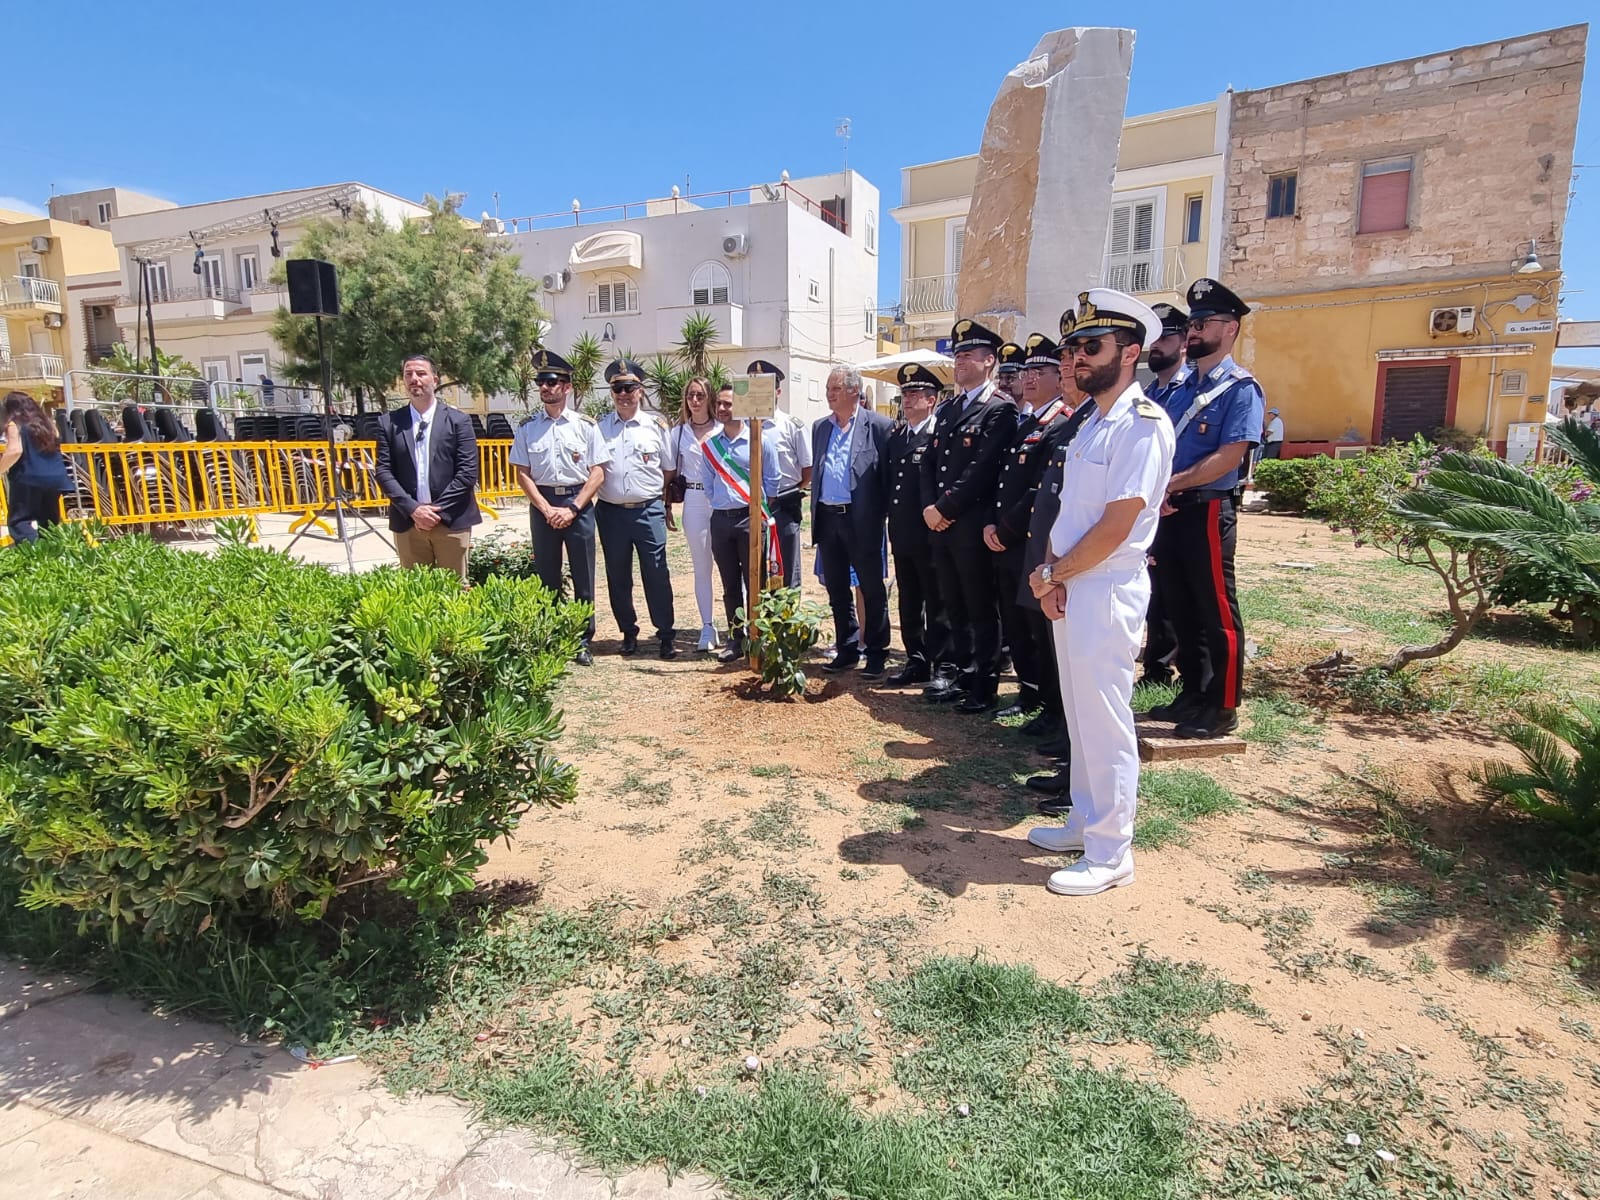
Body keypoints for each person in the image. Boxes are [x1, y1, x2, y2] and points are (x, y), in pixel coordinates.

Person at [1025, 289, 1175, 897]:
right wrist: (1052, 574)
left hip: (1106, 586)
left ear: (1130, 352)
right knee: (1081, 713)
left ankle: (1112, 850)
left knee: (1107, 721)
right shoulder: (1094, 421)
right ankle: (1084, 822)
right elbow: (1069, 513)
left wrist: (1054, 575)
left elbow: (1115, 526)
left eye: (1092, 345)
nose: (1078, 357)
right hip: (1073, 582)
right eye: (1074, 347)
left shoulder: (1142, 425)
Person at [1148, 278, 1265, 738]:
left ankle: (1223, 705)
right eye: (1192, 324)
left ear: (1230, 329)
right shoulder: (1180, 390)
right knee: (1181, 607)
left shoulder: (1240, 389)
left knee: (1216, 611)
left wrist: (1171, 484)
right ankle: (1194, 691)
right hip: (1172, 511)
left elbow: (1230, 456)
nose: (1193, 331)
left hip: (1208, 510)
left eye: (1203, 324)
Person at [920, 318, 1018, 713]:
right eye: (957, 355)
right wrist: (929, 508)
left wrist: (944, 508)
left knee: (980, 607)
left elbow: (983, 469)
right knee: (952, 604)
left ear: (989, 360)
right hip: (940, 526)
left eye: (968, 355)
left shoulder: (999, 409)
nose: (959, 361)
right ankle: (961, 674)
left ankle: (983, 683)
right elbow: (929, 463)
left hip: (972, 525)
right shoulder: (949, 409)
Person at [985, 333, 1077, 724]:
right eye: (1027, 371)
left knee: (1039, 626)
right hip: (1006, 539)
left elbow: (1039, 490)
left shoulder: (1060, 423)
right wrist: (992, 523)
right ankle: (1029, 690)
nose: (1031, 378)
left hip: (1028, 540)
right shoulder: (1026, 421)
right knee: (1016, 620)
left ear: (1060, 377)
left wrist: (1005, 529)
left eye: (1042, 371)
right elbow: (1003, 481)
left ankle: (1051, 702)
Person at [511, 350, 609, 666]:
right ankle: (551, 636)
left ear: (567, 387)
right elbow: (522, 473)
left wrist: (573, 508)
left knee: (583, 574)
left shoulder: (585, 426)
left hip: (577, 504)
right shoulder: (527, 427)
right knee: (547, 575)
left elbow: (598, 472)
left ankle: (581, 639)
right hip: (543, 505)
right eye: (540, 382)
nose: (545, 387)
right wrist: (545, 509)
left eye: (551, 381)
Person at [810, 365, 893, 677]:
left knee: (871, 589)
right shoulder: (821, 427)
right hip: (828, 518)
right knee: (837, 589)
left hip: (862, 521)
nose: (829, 395)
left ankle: (876, 652)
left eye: (835, 389)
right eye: (828, 389)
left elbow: (887, 477)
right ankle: (846, 648)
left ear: (854, 391)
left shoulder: (879, 426)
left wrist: (878, 516)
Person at [595, 358, 677, 660]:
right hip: (611, 512)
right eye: (617, 389)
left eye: (629, 388)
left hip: (648, 510)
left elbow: (668, 469)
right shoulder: (600, 428)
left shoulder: (656, 426)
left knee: (656, 573)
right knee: (618, 575)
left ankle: (665, 634)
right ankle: (628, 632)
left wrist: (651, 495)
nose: (624, 394)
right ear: (612, 393)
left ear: (640, 391)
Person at [371, 355, 480, 580]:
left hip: (451, 521)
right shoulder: (389, 423)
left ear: (435, 380)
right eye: (408, 374)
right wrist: (414, 510)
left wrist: (434, 512)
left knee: (453, 591)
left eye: (421, 374)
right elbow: (383, 471)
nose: (414, 379)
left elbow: (467, 473)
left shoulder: (459, 421)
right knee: (415, 592)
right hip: (408, 523)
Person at [698, 382, 779, 664]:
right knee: (729, 583)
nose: (721, 408)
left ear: (741, 407)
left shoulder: (760, 441)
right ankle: (736, 639)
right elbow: (708, 484)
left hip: (750, 519)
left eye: (728, 404)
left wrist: (756, 509)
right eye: (719, 403)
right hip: (721, 520)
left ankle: (760, 637)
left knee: (756, 582)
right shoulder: (711, 446)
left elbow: (772, 481)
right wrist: (724, 502)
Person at [882, 365, 948, 687]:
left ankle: (942, 664)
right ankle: (916, 660)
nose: (907, 400)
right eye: (905, 394)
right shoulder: (897, 437)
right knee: (908, 600)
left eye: (914, 394)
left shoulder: (939, 434)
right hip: (902, 532)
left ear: (931, 400)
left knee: (936, 601)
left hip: (930, 534)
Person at [1139, 302, 1189, 687]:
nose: (1156, 346)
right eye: (1153, 339)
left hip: (1179, 503)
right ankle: (1155, 666)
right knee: (1153, 587)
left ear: (1184, 342)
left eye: (1166, 338)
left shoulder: (1191, 389)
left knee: (1179, 591)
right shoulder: (1148, 392)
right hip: (1150, 504)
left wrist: (1169, 488)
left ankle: (1179, 668)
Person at [663, 377, 722, 651]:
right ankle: (707, 626)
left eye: (700, 395)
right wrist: (667, 506)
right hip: (694, 499)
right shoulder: (678, 433)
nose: (695, 401)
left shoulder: (722, 429)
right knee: (702, 568)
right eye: (690, 396)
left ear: (709, 398)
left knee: (732, 567)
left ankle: (740, 626)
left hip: (722, 499)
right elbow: (670, 473)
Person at [749, 361, 812, 592]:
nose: (760, 392)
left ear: (777, 391)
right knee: (755, 569)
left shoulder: (791, 426)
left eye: (765, 386)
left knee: (786, 567)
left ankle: (787, 613)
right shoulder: (743, 426)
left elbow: (808, 468)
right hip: (750, 505)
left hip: (784, 504)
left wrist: (789, 491)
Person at [2, 391, 72, 545]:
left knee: (19, 522)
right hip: (55, 477)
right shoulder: (48, 424)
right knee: (49, 521)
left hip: (28, 476)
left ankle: (35, 552)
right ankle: (54, 551)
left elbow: (15, 450)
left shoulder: (15, 424)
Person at [996, 341, 1027, 410]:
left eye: (1010, 378)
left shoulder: (1034, 414)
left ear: (1024, 378)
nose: (1002, 383)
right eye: (1000, 378)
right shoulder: (994, 414)